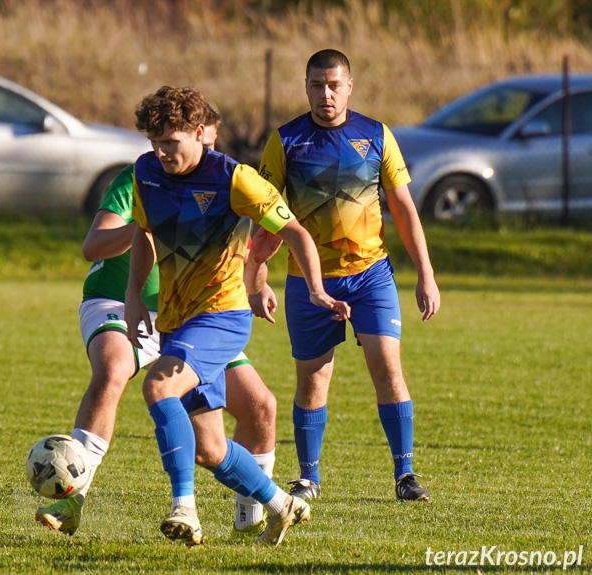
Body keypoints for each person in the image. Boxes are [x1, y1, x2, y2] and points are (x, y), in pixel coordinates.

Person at [35, 107, 279, 538]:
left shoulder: (224, 181)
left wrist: (257, 285)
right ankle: (73, 498)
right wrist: (149, 225)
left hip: (192, 316)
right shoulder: (141, 179)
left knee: (259, 406)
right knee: (113, 369)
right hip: (119, 300)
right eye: (165, 142)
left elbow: (248, 250)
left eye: (209, 140)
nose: (197, 149)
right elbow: (93, 246)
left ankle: (254, 517)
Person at [124, 85, 351, 547]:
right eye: (155, 142)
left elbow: (295, 232)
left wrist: (316, 290)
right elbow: (144, 235)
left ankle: (184, 507)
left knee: (158, 386)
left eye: (172, 141)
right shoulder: (145, 172)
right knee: (209, 449)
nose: (163, 152)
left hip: (222, 317)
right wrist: (132, 295)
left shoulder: (235, 178)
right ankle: (282, 505)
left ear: (200, 134)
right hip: (176, 322)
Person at [255, 49, 441, 503]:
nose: (326, 95)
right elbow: (264, 220)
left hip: (370, 276)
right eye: (317, 86)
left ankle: (406, 476)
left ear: (350, 86)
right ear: (306, 88)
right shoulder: (285, 142)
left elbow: (403, 210)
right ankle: (308, 478)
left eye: (334, 85)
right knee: (314, 378)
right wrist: (257, 279)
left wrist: (426, 275)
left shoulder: (376, 135)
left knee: (387, 369)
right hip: (308, 281)